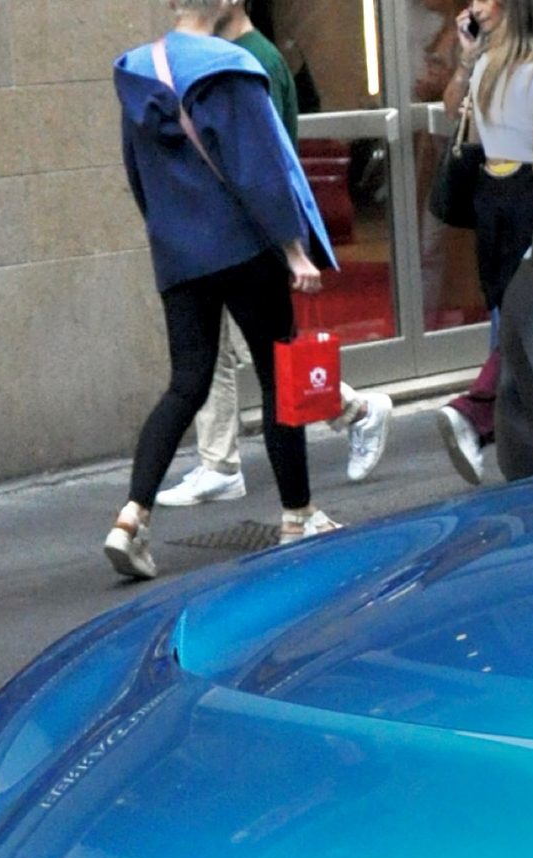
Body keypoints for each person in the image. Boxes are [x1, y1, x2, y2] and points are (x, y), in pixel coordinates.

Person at [109, 0, 341, 581]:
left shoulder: (137, 72)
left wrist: (170, 234)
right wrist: (293, 249)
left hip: (178, 252)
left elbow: (137, 176)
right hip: (242, 247)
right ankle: (297, 514)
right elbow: (259, 166)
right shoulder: (228, 67)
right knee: (277, 374)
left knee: (186, 383)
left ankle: (132, 516)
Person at [158, 0, 395, 506]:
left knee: (266, 355)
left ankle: (354, 411)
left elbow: (265, 156)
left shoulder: (252, 59)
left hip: (250, 233)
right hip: (236, 230)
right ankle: (219, 462)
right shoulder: (235, 56)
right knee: (228, 351)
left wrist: (284, 243)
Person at [433, 0, 533, 484]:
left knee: (504, 308)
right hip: (527, 200)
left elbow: (468, 125)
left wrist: (467, 57)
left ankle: (489, 426)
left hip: (489, 197)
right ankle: (474, 412)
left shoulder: (486, 72)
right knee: (529, 313)